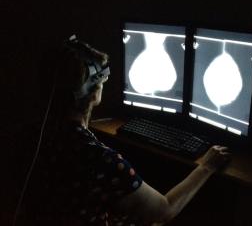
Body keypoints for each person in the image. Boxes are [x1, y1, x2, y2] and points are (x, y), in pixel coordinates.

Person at [25, 36, 231, 226]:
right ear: (94, 91)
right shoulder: (101, 160)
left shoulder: (33, 136)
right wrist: (207, 166)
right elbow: (164, 210)